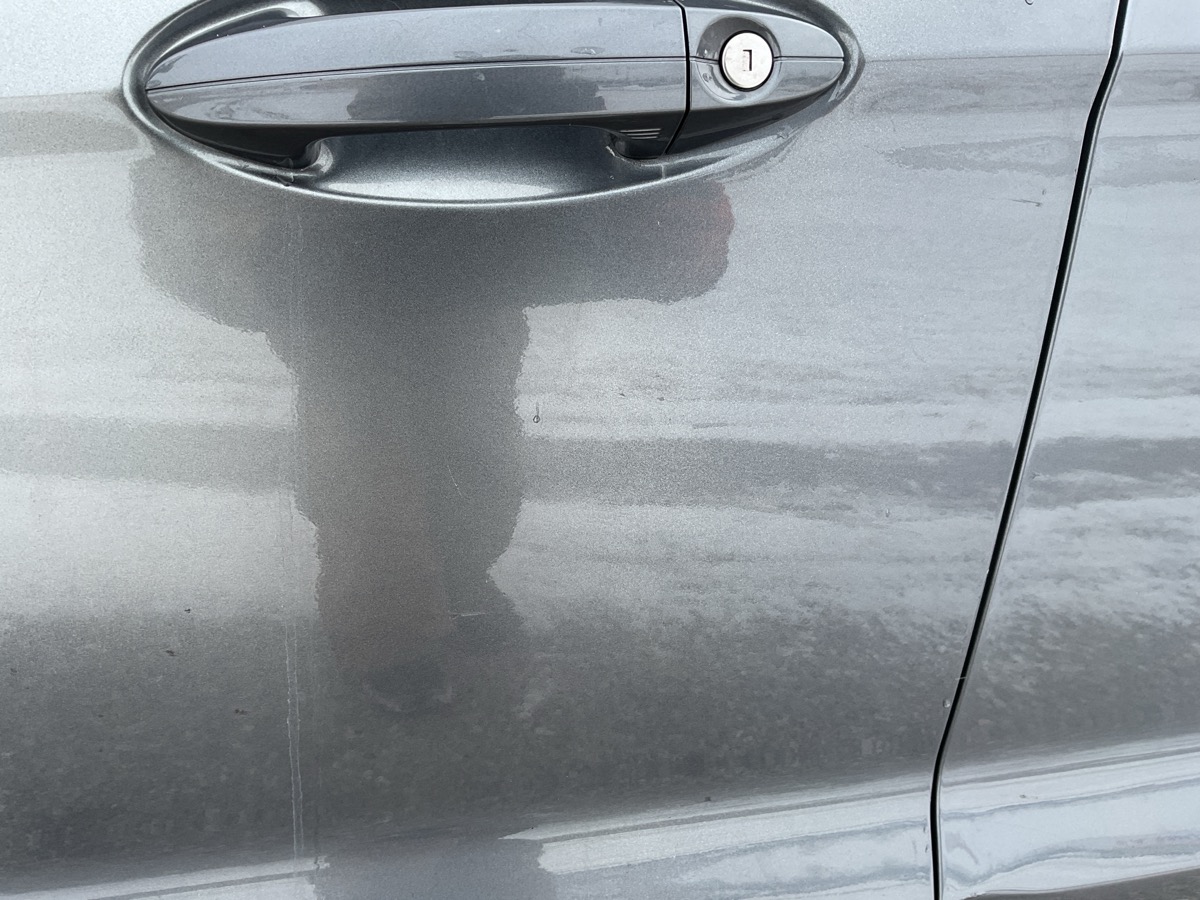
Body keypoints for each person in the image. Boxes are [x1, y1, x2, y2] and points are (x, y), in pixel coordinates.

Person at [132, 130, 732, 713]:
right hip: (331, 219)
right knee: (372, 420)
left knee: (452, 408)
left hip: (435, 218)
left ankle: (444, 587)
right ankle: (401, 623)